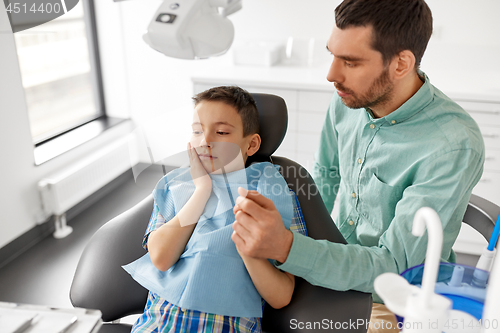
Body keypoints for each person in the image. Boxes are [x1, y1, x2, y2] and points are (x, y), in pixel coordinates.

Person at [231, 0, 485, 332]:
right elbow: (321, 181)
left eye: (350, 62)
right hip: (328, 258)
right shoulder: (348, 102)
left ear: (401, 64)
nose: (331, 74)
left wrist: (287, 247)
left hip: (393, 296)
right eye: (333, 54)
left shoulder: (451, 144)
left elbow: (393, 269)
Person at [122, 86, 307, 333]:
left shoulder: (273, 193)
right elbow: (161, 258)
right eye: (197, 131)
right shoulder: (174, 186)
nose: (205, 141)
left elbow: (281, 295)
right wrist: (201, 192)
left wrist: (248, 249)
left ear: (251, 145)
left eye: (220, 132)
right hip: (159, 325)